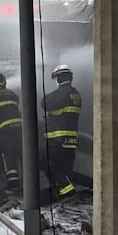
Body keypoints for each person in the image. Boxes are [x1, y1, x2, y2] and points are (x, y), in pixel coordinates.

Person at [40, 65, 81, 200]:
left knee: (49, 163)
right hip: (71, 139)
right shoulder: (76, 94)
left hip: (57, 138)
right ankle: (67, 193)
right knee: (66, 165)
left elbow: (44, 103)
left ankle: (67, 190)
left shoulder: (61, 93)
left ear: (58, 78)